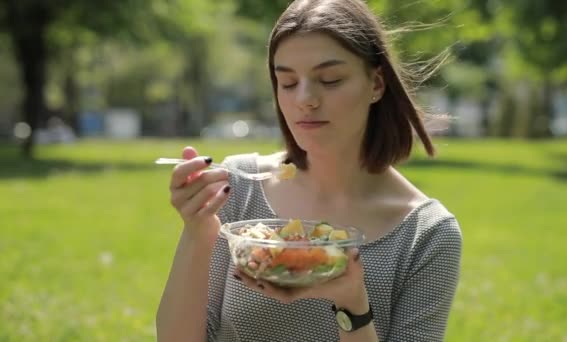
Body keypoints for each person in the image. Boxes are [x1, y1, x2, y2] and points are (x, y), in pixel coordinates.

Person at [156, 0, 462, 341]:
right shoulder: (237, 188)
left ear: (376, 84)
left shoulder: (426, 234)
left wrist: (352, 304)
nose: (305, 99)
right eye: (287, 83)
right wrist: (198, 232)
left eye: (329, 80)